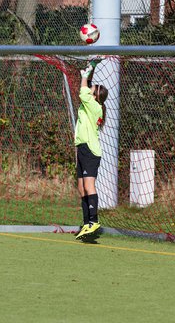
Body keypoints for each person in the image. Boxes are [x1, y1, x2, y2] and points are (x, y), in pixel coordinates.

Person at [75, 59, 108, 240]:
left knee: (89, 186)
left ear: (95, 96)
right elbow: (86, 88)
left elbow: (83, 90)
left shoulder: (95, 106)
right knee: (81, 189)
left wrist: (85, 75)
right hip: (82, 148)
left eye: (92, 88)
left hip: (90, 150)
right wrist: (92, 67)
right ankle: (87, 225)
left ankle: (94, 221)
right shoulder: (91, 103)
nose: (89, 88)